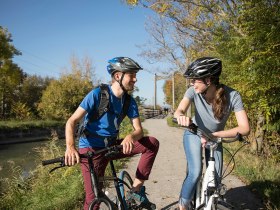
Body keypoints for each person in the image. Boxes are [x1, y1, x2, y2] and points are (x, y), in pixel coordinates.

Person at [64, 57, 159, 210]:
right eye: (131, 75)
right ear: (117, 76)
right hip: (91, 149)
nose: (135, 79)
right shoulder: (97, 94)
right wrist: (70, 146)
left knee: (151, 143)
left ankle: (136, 191)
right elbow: (71, 121)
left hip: (112, 146)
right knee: (93, 198)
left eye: (135, 75)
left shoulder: (129, 101)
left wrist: (130, 137)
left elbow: (139, 130)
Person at [174, 57, 250, 210]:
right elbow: (179, 110)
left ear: (208, 80)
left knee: (216, 179)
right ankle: (182, 205)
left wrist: (217, 135)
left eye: (195, 80)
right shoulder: (193, 91)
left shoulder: (233, 95)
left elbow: (244, 128)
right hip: (194, 132)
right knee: (195, 172)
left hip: (216, 138)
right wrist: (180, 116)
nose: (192, 83)